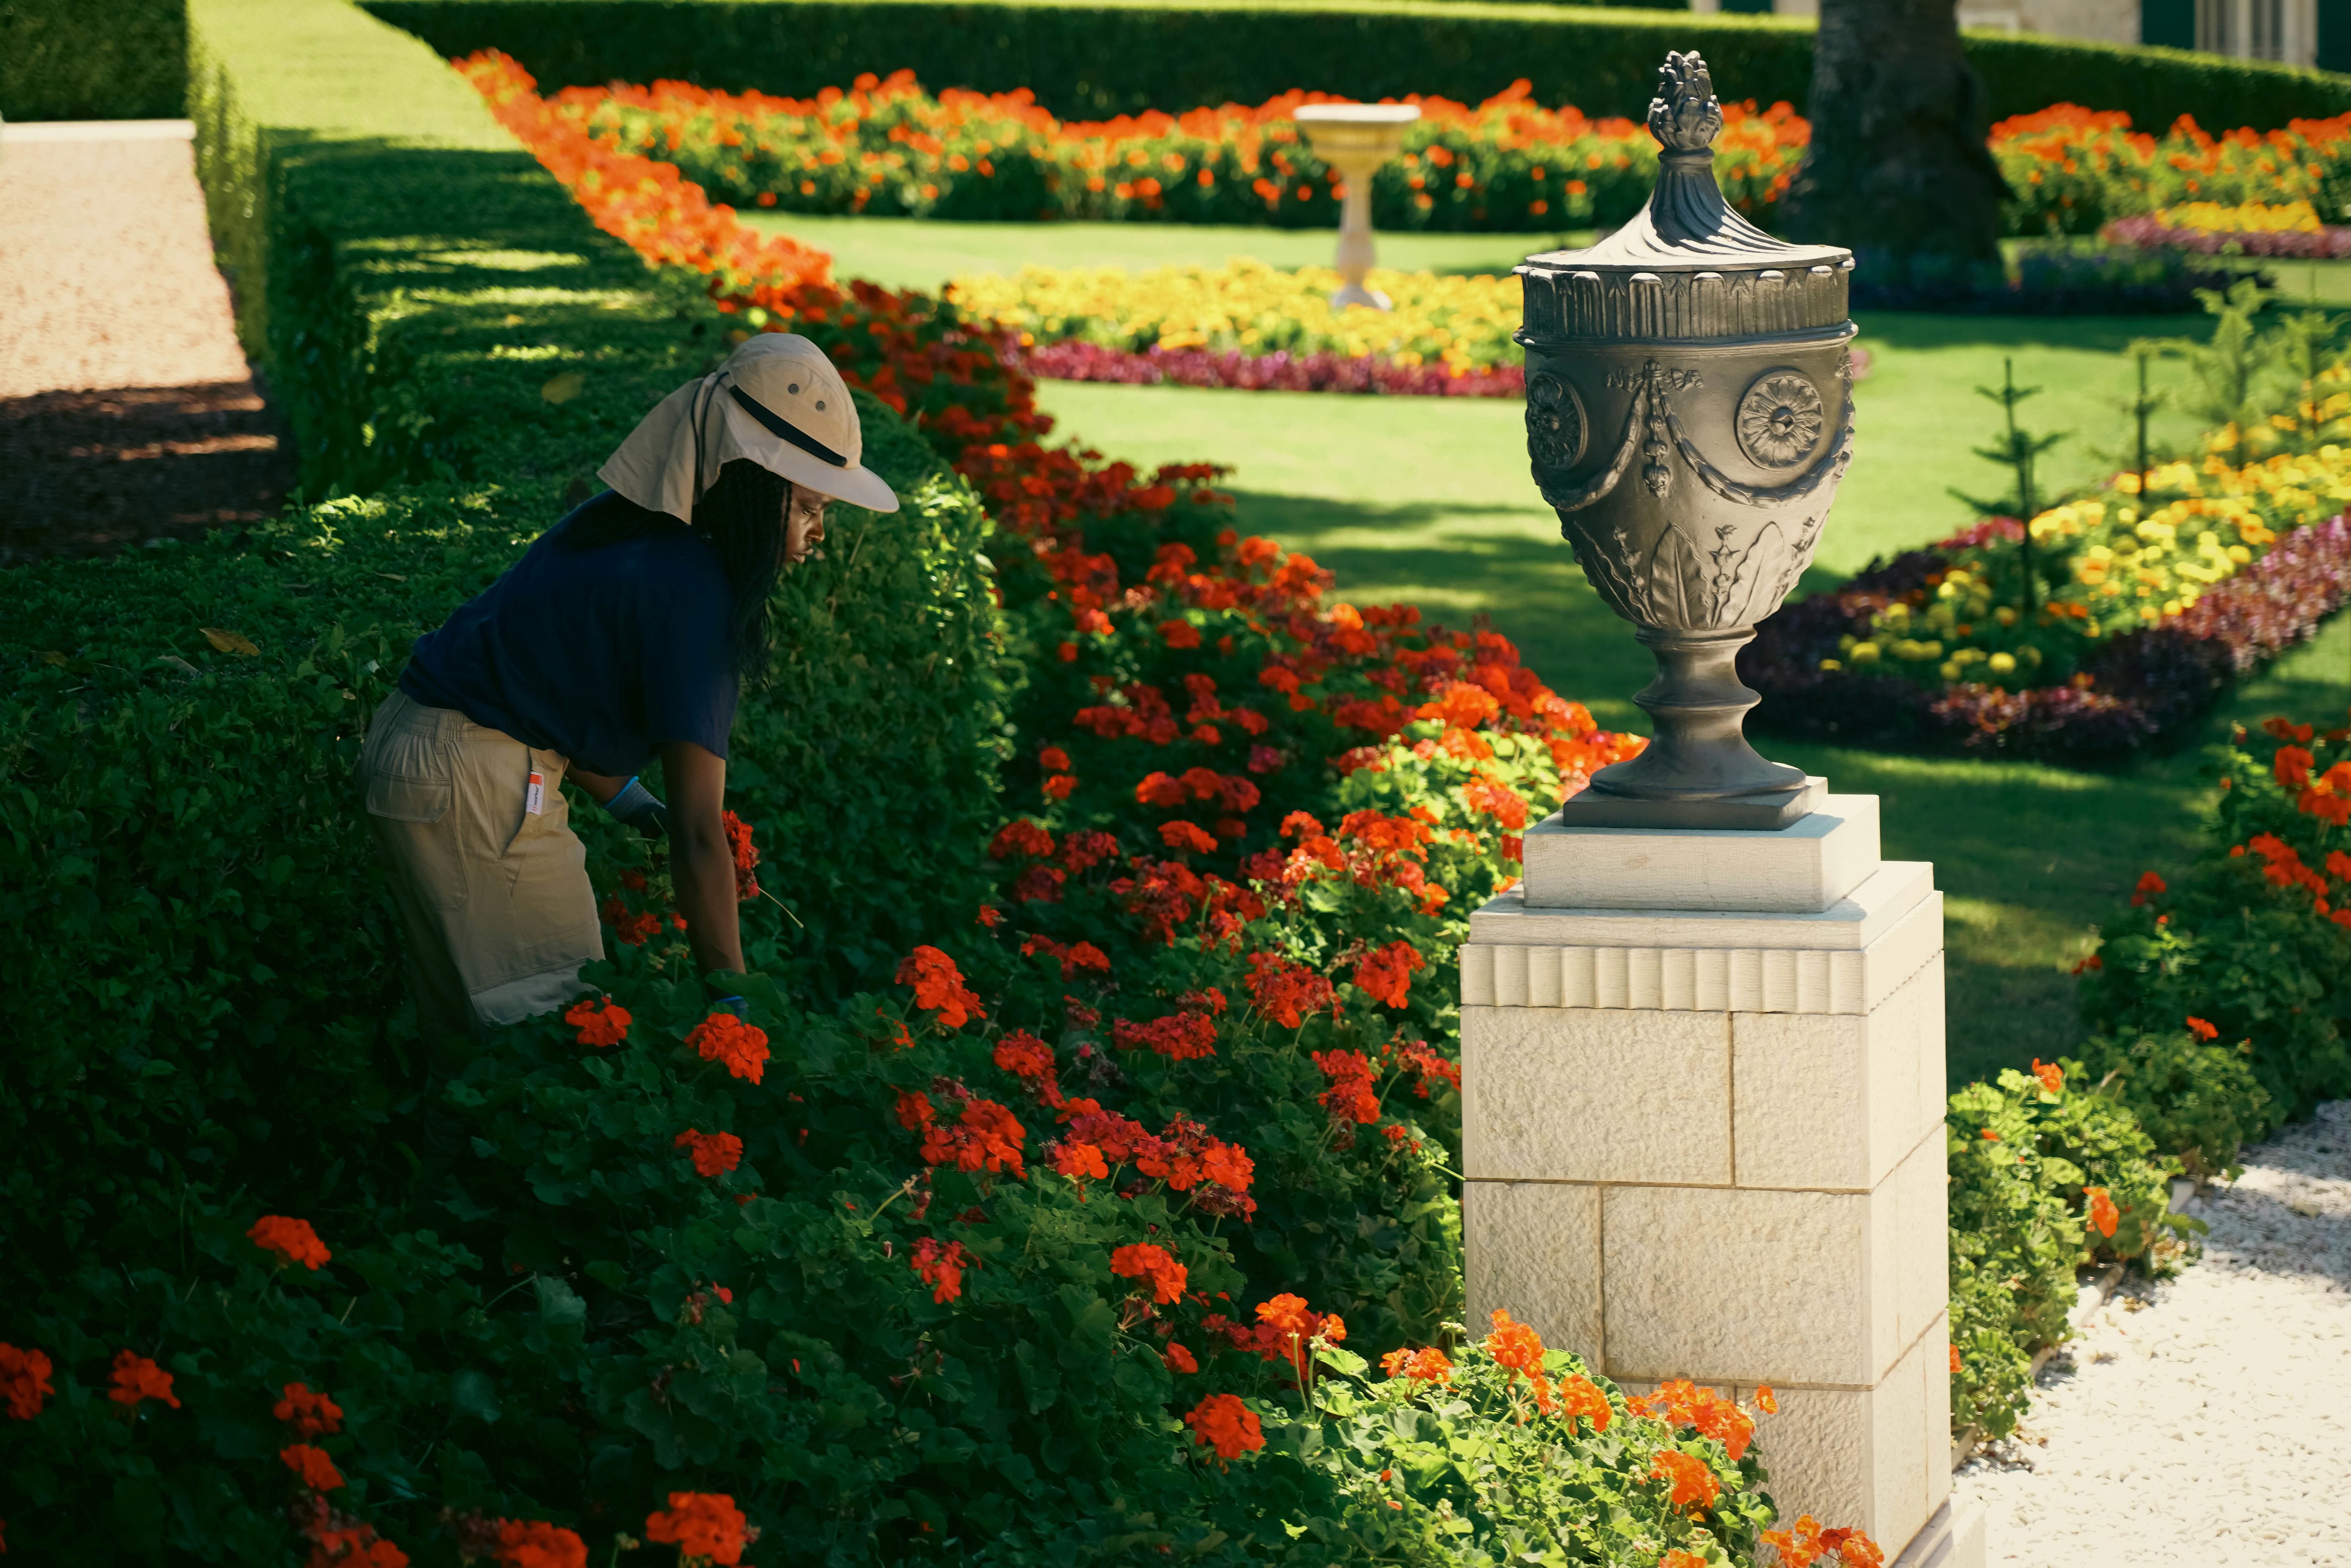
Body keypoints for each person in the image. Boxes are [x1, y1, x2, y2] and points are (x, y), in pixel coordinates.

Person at [356, 334, 898, 1043]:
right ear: (751, 489)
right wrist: (732, 1006)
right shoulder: (697, 593)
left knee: (470, 1065)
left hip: (418, 752)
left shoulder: (627, 523)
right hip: (474, 783)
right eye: (806, 507)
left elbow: (542, 684)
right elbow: (703, 835)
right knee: (558, 1053)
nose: (817, 533)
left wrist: (634, 803)